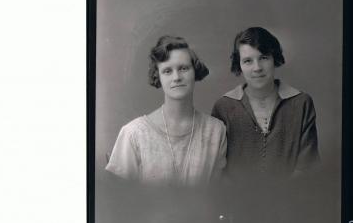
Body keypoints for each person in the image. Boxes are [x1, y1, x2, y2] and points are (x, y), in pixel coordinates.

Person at [106, 35, 227, 187]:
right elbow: (120, 201)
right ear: (158, 76)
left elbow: (218, 197)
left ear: (195, 71)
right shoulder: (133, 134)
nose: (177, 77)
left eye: (183, 68)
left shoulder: (215, 131)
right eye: (167, 71)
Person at [211, 27, 320, 180]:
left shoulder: (301, 103)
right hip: (236, 201)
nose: (257, 68)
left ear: (274, 58)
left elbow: (308, 169)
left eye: (263, 58)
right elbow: (218, 173)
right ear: (239, 65)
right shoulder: (223, 107)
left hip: (291, 200)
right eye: (248, 61)